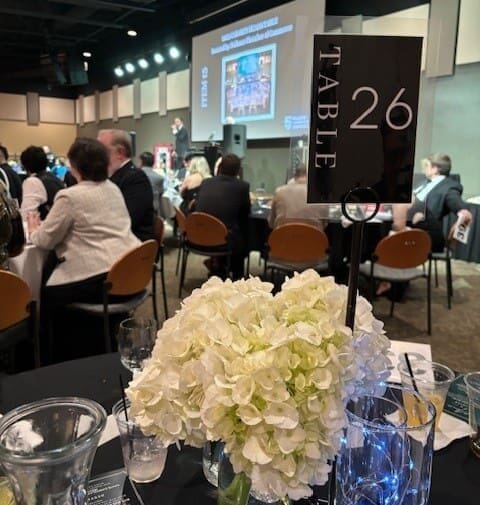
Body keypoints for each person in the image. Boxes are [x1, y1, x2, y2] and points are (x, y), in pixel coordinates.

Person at [27, 137, 140, 307]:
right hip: (131, 269)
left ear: (74, 167)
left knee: (47, 290)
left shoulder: (70, 196)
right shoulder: (112, 188)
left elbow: (45, 241)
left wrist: (33, 229)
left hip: (100, 278)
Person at [392, 153, 473, 252]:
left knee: (405, 199)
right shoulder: (423, 183)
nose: (423, 169)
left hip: (427, 233)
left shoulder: (449, 187)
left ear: (435, 169)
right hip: (411, 222)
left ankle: (398, 237)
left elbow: (465, 213)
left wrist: (458, 232)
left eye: (426, 166)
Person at [195, 154, 250, 280]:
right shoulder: (242, 186)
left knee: (229, 228)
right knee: (243, 235)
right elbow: (245, 213)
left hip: (198, 237)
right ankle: (237, 276)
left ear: (219, 167)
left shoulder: (206, 182)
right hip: (222, 241)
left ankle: (218, 266)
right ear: (238, 170)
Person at [97, 129, 154, 241]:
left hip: (133, 243)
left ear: (120, 153)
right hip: (115, 238)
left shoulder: (136, 179)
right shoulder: (112, 175)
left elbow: (126, 220)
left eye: (102, 151)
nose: (97, 157)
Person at [268, 164, 327, 229]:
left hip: (283, 237)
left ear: (294, 177)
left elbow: (271, 223)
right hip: (312, 238)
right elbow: (324, 224)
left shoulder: (279, 192)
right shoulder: (319, 194)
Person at [20, 146, 64, 219]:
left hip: (47, 226)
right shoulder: (54, 178)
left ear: (24, 166)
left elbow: (28, 215)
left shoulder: (33, 182)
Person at [138, 151, 164, 216]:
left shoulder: (134, 176)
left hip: (137, 210)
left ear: (141, 162)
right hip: (153, 211)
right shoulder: (159, 178)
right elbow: (161, 195)